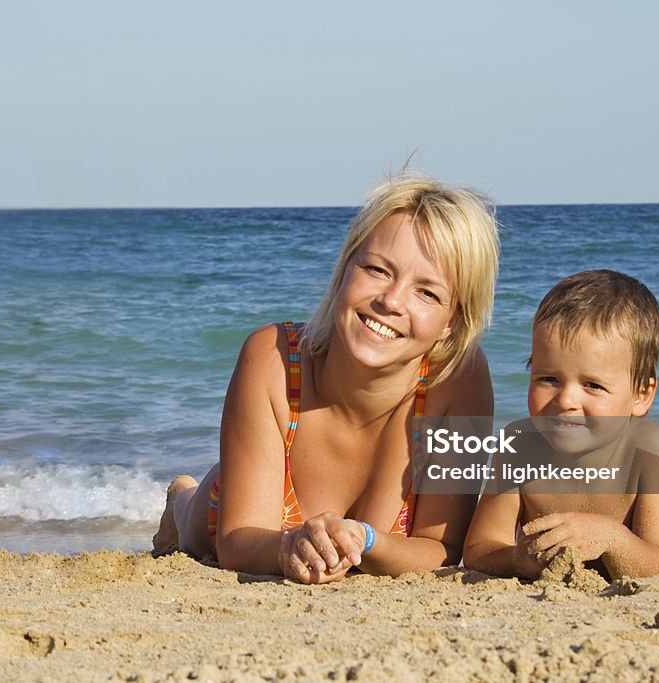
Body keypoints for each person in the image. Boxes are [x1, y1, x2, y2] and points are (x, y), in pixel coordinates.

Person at [152, 173, 501, 584]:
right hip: (216, 513)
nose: (391, 301)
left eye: (427, 293)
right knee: (195, 520)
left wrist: (365, 541)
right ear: (344, 269)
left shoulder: (462, 379)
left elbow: (442, 547)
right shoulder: (272, 357)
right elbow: (234, 542)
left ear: (451, 322)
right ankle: (181, 498)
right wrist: (289, 545)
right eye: (377, 269)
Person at [463, 270, 659, 580]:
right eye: (548, 378)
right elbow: (480, 549)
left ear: (641, 396)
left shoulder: (652, 450)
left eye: (593, 385)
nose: (565, 400)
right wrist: (518, 559)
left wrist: (611, 537)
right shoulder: (519, 446)